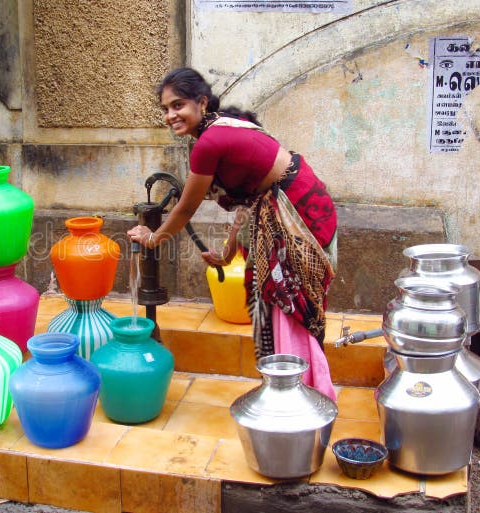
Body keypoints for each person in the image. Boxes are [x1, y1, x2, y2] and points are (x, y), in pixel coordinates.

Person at [127, 67, 337, 394]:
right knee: (282, 304)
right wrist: (227, 253)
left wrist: (153, 238)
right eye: (165, 109)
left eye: (178, 105)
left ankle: (304, 393)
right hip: (299, 205)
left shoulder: (209, 142)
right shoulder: (220, 128)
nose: (170, 115)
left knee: (288, 306)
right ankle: (290, 387)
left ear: (202, 102)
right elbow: (251, 200)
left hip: (299, 215)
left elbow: (184, 208)